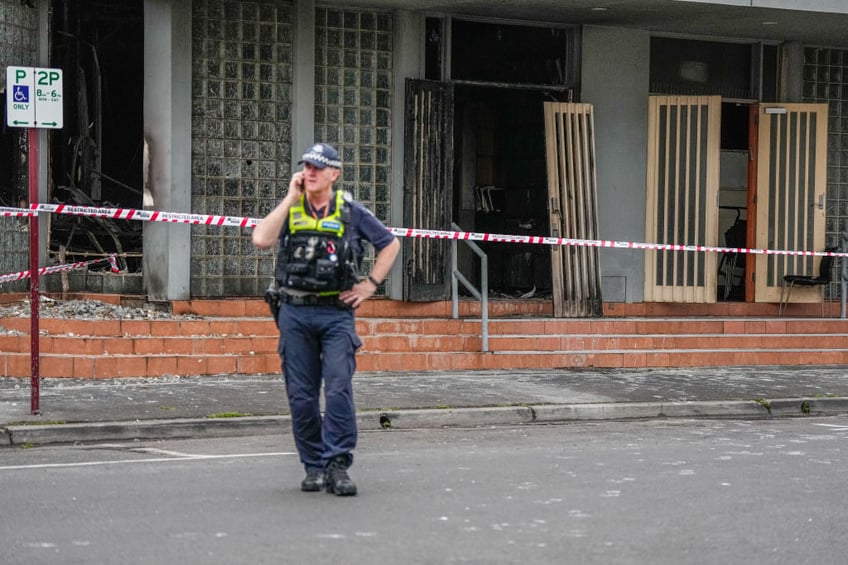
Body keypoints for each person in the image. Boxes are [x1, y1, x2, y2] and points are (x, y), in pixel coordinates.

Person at [252, 142, 400, 496]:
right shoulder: (293, 208)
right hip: (295, 312)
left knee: (337, 389)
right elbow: (261, 239)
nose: (311, 172)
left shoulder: (350, 212)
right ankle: (313, 466)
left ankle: (337, 464)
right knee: (301, 396)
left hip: (336, 314)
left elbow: (389, 244)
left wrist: (369, 286)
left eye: (318, 167)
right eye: (307, 166)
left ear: (334, 173)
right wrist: (290, 197)